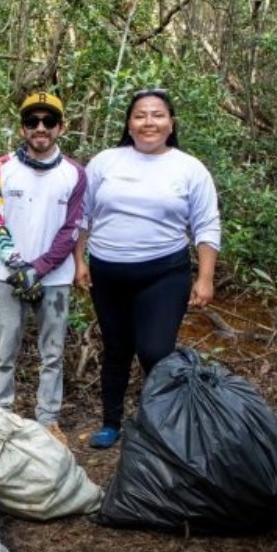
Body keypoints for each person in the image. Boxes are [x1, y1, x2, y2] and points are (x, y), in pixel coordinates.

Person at [76, 88, 221, 449]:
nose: (148, 122)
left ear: (171, 123)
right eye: (140, 115)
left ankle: (158, 425)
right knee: (116, 348)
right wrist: (79, 260)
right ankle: (111, 423)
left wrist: (205, 278)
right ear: (129, 124)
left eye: (157, 115)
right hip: (107, 273)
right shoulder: (106, 162)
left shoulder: (189, 168)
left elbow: (206, 224)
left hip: (163, 274)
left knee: (155, 350)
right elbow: (82, 215)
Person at [0, 92, 86, 447]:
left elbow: (72, 228)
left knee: (52, 352)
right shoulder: (2, 167)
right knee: (5, 347)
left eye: (48, 121)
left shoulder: (74, 174)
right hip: (7, 274)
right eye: (32, 121)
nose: (40, 128)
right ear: (22, 128)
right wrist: (17, 264)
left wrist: (38, 269)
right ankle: (0, 413)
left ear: (61, 127)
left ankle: (48, 419)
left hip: (55, 277)